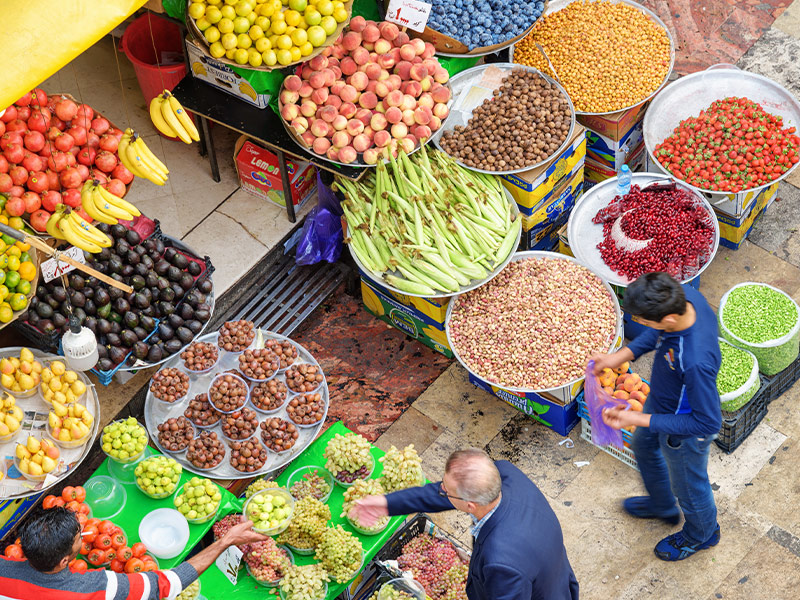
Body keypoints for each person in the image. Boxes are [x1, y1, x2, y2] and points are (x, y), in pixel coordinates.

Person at [592, 272, 722, 561]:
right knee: (642, 446)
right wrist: (621, 355)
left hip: (684, 432)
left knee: (688, 487)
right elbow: (656, 332)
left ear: (669, 320)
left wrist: (637, 419)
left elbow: (707, 422)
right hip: (662, 402)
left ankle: (701, 533)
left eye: (644, 321)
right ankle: (663, 505)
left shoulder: (696, 360)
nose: (640, 326)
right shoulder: (684, 297)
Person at [350, 448, 579, 600]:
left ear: (470, 505)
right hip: (555, 577)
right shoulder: (505, 474)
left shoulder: (500, 563)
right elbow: (437, 494)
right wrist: (385, 503)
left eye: (446, 491)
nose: (441, 490)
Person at [0, 506, 268, 599]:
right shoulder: (92, 587)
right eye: (78, 539)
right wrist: (224, 542)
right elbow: (167, 584)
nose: (83, 537)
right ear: (63, 560)